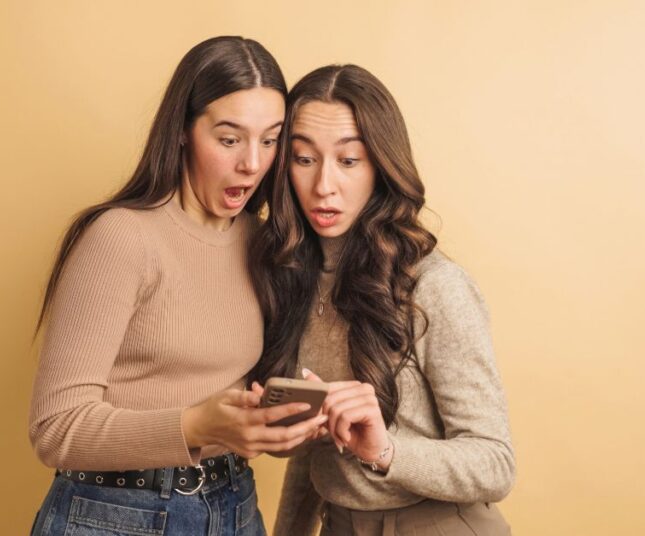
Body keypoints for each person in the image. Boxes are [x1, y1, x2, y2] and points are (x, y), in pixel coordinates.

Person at [27, 36, 327, 536]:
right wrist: (194, 425)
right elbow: (55, 429)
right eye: (230, 139)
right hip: (114, 514)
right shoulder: (123, 238)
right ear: (184, 131)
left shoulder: (261, 244)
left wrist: (286, 423)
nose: (253, 163)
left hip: (233, 505)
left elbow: (239, 408)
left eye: (270, 140)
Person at [249, 64, 516, 536]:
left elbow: (495, 463)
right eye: (304, 159)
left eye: (349, 161)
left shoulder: (435, 286)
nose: (323, 185)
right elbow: (320, 450)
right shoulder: (298, 280)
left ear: (381, 166)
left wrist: (385, 450)